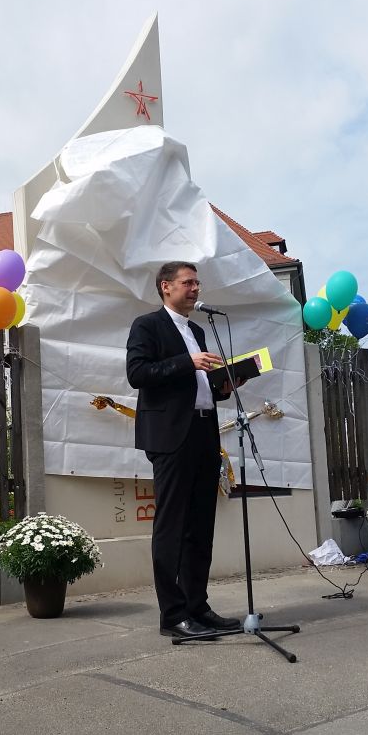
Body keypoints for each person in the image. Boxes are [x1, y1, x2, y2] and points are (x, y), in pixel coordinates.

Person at [126, 261, 243, 641]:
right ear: (166, 286)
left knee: (200, 526)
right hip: (171, 435)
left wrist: (223, 385)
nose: (195, 288)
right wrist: (186, 362)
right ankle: (172, 615)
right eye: (188, 282)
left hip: (204, 431)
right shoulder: (147, 325)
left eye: (197, 282)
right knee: (172, 526)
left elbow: (198, 385)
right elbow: (137, 373)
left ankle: (197, 606)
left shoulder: (197, 330)